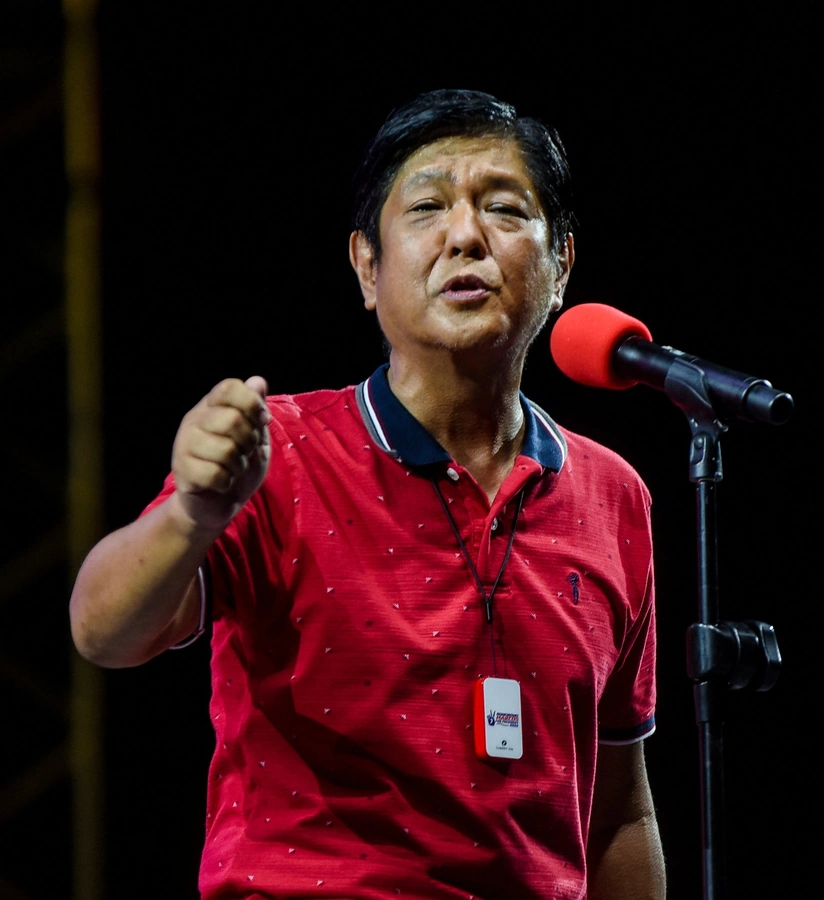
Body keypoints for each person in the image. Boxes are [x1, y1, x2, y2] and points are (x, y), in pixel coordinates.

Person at [70, 89, 665, 899]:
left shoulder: (614, 496)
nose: (465, 236)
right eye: (426, 207)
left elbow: (621, 814)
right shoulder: (278, 455)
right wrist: (191, 517)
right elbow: (104, 631)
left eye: (503, 208)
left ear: (561, 263)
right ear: (366, 267)